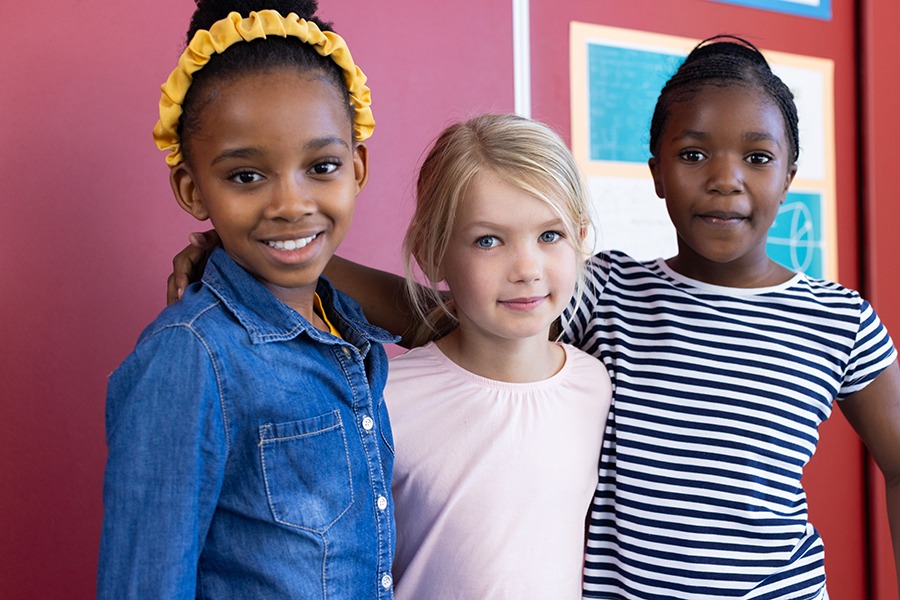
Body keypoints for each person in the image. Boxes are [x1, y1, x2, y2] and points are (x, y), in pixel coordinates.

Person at [167, 36, 900, 598]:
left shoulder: (839, 319)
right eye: (693, 153)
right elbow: (451, 314)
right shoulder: (605, 291)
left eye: (758, 156)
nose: (725, 179)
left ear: (791, 169)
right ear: (655, 170)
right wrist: (276, 255)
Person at [98, 1, 398, 598]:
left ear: (357, 167)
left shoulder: (352, 334)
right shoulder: (190, 357)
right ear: (192, 187)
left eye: (322, 166)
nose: (290, 203)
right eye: (245, 176)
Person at [387, 113, 611, 598]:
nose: (527, 269)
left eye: (550, 236)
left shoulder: (597, 386)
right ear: (431, 253)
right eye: (489, 240)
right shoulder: (384, 398)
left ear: (580, 237)